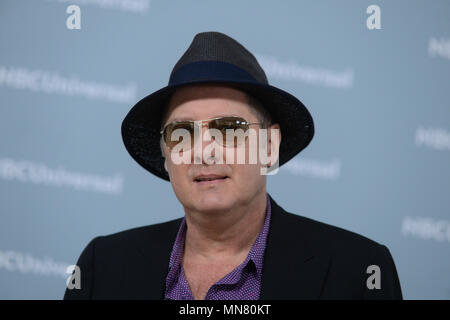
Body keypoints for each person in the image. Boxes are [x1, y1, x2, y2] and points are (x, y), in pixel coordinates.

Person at [64, 31, 402, 300]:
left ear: (270, 147)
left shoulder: (358, 270)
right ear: (166, 153)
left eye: (230, 129)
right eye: (182, 133)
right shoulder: (103, 264)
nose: (204, 151)